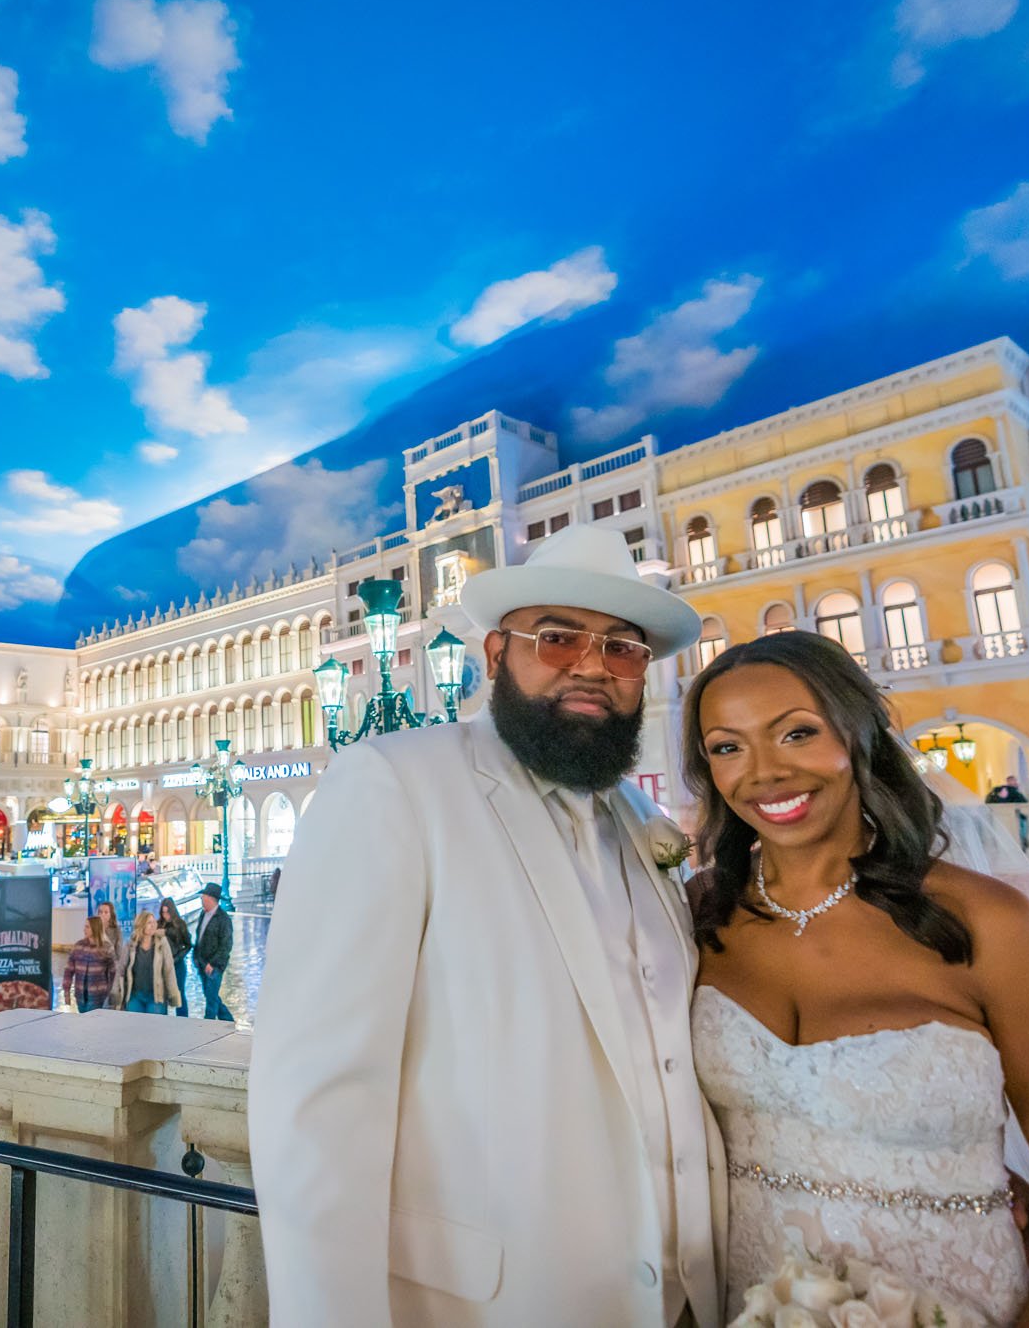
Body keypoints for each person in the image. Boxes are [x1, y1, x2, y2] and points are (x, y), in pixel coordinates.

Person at [250, 524, 714, 1325]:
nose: (593, 666)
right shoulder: (395, 784)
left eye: (623, 649)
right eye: (559, 637)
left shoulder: (645, 823)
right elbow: (317, 1101)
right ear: (496, 654)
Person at [684, 631, 1029, 1324]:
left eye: (797, 733)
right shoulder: (700, 915)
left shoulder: (989, 925)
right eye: (727, 747)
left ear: (860, 737)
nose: (763, 772)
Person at [120, 910, 180, 1014]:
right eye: (149, 923)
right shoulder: (131, 944)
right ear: (141, 924)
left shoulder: (162, 942)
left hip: (156, 997)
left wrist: (172, 994)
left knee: (155, 1028)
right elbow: (121, 969)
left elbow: (169, 970)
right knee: (133, 1028)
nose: (153, 925)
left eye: (154, 922)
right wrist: (118, 994)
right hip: (135, 996)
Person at [190, 884, 232, 1023]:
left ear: (211, 899)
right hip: (202, 963)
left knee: (211, 1002)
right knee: (211, 997)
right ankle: (228, 1021)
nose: (202, 898)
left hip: (214, 967)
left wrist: (213, 964)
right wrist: (196, 958)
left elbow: (226, 945)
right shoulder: (204, 914)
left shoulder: (223, 919)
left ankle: (207, 1028)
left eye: (204, 896)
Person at [61, 915, 117, 1013]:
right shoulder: (78, 946)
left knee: (93, 1024)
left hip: (98, 996)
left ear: (95, 928)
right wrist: (67, 993)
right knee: (83, 1023)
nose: (84, 929)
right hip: (80, 996)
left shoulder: (107, 948)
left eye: (87, 927)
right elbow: (68, 971)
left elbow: (113, 972)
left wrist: (109, 992)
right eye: (84, 926)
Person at [156, 897, 193, 1018]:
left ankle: (183, 1020)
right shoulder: (158, 924)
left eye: (167, 912)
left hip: (177, 964)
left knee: (179, 993)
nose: (165, 915)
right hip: (162, 965)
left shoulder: (180, 924)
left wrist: (177, 958)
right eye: (163, 912)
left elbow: (188, 945)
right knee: (162, 994)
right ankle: (164, 1019)